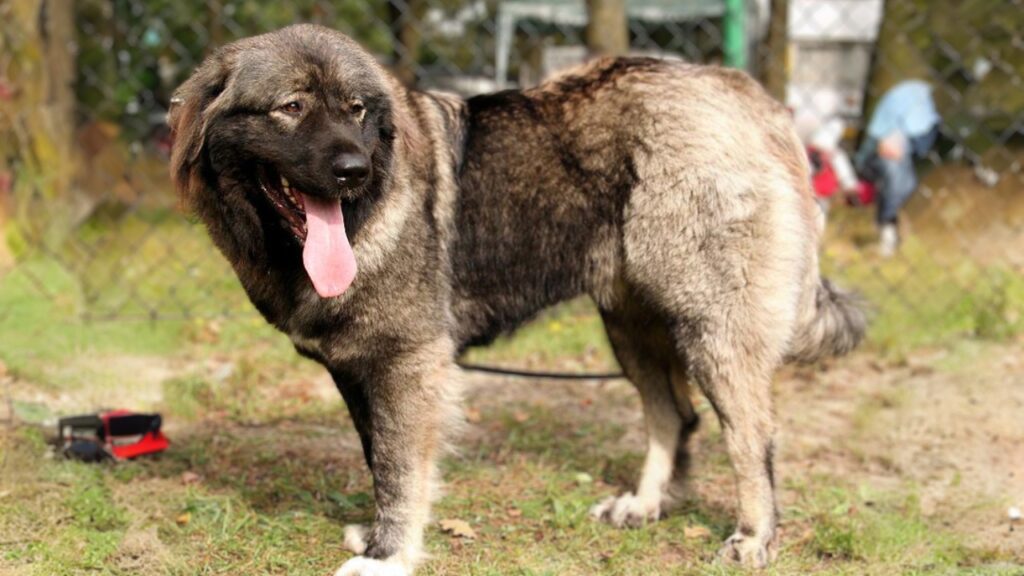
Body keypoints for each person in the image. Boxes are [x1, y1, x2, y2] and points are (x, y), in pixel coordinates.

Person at [855, 80, 940, 257]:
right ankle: (886, 229)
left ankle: (887, 230)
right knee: (898, 181)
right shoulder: (910, 112)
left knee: (899, 182)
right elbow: (883, 145)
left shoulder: (921, 112)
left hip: (891, 150)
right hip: (885, 151)